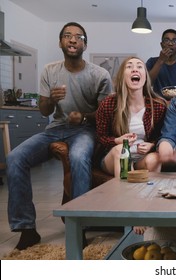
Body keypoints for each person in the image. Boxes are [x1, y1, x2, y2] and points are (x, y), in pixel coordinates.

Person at [6, 22, 113, 250]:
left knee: (78, 157)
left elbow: (105, 115)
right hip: (55, 129)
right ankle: (26, 229)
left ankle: (79, 224)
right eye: (67, 36)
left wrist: (83, 117)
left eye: (78, 36)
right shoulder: (49, 71)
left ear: (85, 43)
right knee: (15, 158)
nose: (72, 39)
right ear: (60, 42)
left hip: (85, 130)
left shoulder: (100, 74)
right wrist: (51, 100)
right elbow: (44, 111)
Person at [96, 57, 167, 179]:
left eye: (139, 66)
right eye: (129, 67)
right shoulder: (109, 103)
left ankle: (150, 196)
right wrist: (117, 141)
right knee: (121, 150)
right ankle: (125, 195)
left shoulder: (158, 106)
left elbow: (165, 136)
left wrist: (152, 145)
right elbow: (100, 137)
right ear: (122, 76)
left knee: (154, 158)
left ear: (145, 76)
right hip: (113, 158)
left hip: (142, 158)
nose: (135, 70)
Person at [146, 29, 176, 97]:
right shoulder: (152, 62)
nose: (170, 44)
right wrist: (160, 60)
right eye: (166, 40)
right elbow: (147, 83)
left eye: (174, 41)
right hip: (159, 103)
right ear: (161, 44)